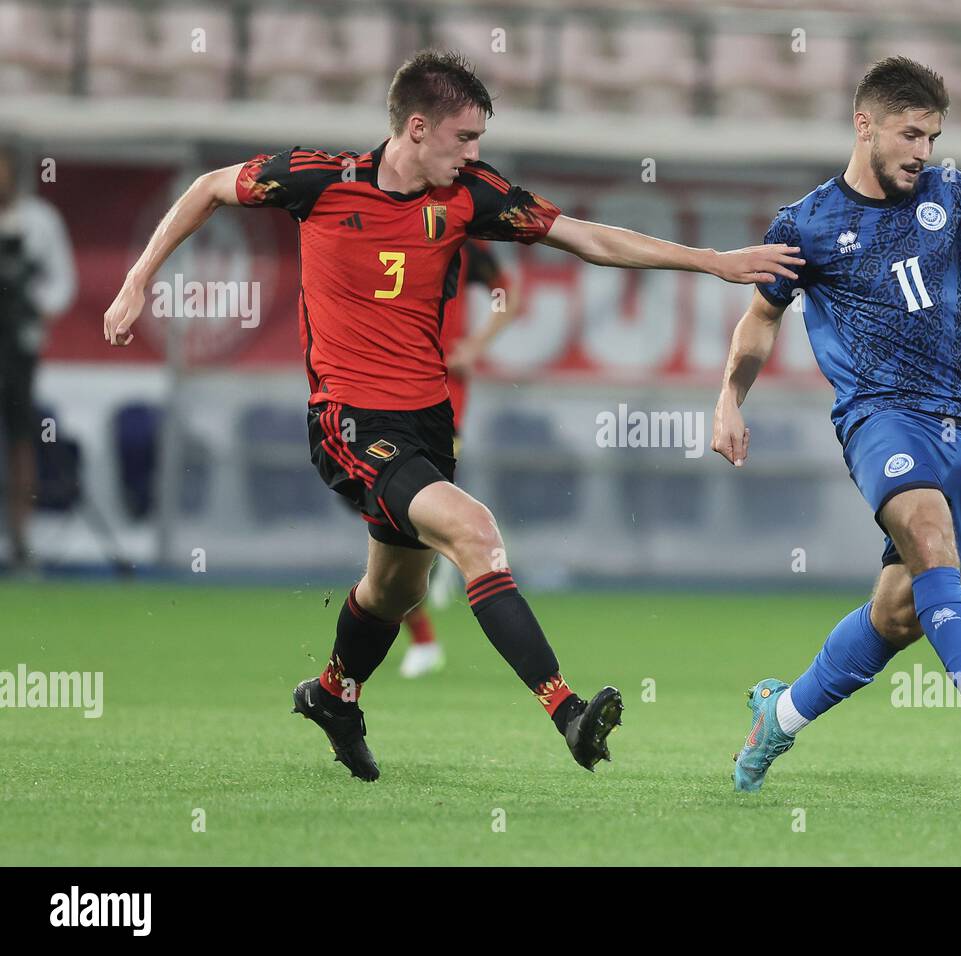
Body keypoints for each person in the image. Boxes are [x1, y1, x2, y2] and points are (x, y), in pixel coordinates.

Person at [103, 49, 803, 782]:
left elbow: (587, 237)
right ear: (416, 128)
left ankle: (335, 693)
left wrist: (712, 261)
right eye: (465, 138)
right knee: (476, 532)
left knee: (394, 591)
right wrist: (135, 282)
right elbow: (209, 188)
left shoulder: (471, 196)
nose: (475, 153)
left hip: (426, 422)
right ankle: (566, 710)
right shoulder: (318, 180)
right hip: (348, 421)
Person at [712, 57, 961, 791]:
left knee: (902, 610)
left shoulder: (952, 194)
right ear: (865, 125)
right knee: (930, 537)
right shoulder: (807, 223)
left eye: (933, 137)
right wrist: (728, 398)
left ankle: (777, 718)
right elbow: (760, 320)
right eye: (911, 134)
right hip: (879, 416)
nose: (923, 152)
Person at [399, 238, 518, 679]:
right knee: (389, 515)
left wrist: (475, 344)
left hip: (442, 396)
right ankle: (444, 548)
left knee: (400, 508)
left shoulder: (462, 238)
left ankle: (426, 633)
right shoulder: (379, 219)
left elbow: (507, 293)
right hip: (382, 390)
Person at [0, 142, 77, 572]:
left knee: (21, 443)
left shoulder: (39, 221)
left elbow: (61, 282)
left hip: (19, 352)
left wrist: (32, 305)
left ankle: (20, 542)